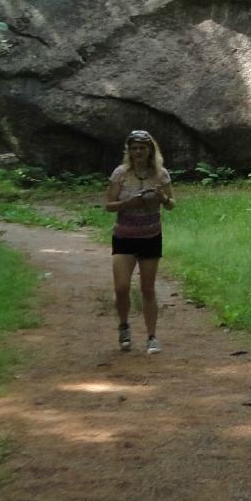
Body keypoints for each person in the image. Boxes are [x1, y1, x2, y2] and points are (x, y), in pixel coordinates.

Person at [105, 129, 175, 353]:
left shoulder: (160, 174)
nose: (138, 152)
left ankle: (152, 337)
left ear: (150, 150)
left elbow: (172, 203)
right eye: (134, 148)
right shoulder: (120, 174)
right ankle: (124, 326)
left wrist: (161, 197)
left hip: (150, 236)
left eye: (142, 148)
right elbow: (109, 205)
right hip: (124, 236)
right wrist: (130, 203)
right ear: (129, 151)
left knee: (148, 289)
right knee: (122, 287)